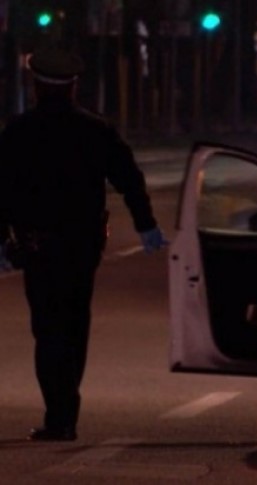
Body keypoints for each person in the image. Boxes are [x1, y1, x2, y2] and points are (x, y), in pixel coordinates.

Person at [0, 46, 167, 441]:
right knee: (75, 323)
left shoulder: (19, 131)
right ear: (73, 87)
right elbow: (129, 179)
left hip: (38, 247)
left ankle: (59, 414)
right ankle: (66, 410)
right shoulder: (96, 130)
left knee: (48, 329)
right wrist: (145, 225)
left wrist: (2, 240)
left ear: (36, 86)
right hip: (82, 248)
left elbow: (1, 190)